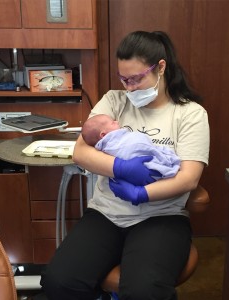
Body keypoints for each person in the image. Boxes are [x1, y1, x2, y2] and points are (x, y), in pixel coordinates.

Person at [40, 30, 210, 300]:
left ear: (161, 67)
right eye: (124, 79)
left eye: (136, 79)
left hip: (161, 217)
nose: (129, 88)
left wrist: (142, 194)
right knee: (59, 282)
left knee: (144, 291)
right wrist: (120, 168)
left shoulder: (190, 114)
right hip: (107, 213)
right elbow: (81, 153)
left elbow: (188, 179)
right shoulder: (113, 101)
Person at [81, 114, 181, 182]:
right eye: (112, 123)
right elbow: (134, 146)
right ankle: (164, 162)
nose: (116, 121)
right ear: (103, 135)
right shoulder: (110, 144)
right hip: (107, 207)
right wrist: (121, 167)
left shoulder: (188, 112)